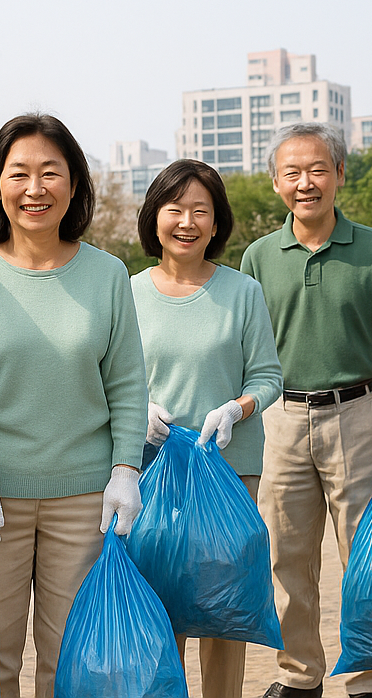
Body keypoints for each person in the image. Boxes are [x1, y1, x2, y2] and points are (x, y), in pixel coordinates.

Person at [0, 113, 148, 698]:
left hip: (82, 497)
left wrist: (126, 470)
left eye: (51, 173)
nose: (35, 189)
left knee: (71, 661)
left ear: (74, 184)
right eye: (19, 173)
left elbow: (128, 384)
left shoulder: (106, 275)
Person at [239, 121, 372, 698]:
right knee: (286, 557)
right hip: (280, 420)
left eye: (318, 169)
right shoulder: (258, 257)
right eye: (291, 173)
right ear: (275, 183)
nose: (305, 183)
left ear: (340, 174)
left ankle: (368, 678)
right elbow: (246, 349)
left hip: (359, 416)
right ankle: (299, 676)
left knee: (368, 559)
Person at [131, 159, 282, 698]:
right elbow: (110, 379)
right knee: (161, 604)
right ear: (154, 219)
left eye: (201, 210)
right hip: (153, 475)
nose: (187, 221)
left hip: (228, 468)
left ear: (217, 224)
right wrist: (135, 410)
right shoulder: (128, 293)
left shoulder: (241, 292)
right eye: (175, 209)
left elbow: (268, 376)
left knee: (224, 607)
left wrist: (236, 409)